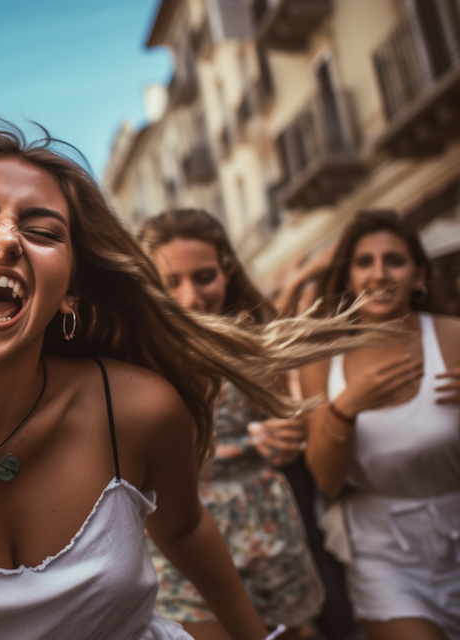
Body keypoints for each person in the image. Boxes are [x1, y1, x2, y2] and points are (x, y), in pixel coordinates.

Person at [0, 127, 382, 640]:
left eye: (44, 231)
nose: (6, 239)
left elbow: (185, 529)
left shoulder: (138, 409)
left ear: (71, 291)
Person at [138, 209, 325, 640]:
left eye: (203, 277)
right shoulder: (134, 354)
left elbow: (287, 427)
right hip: (176, 535)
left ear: (226, 270)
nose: (190, 296)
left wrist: (289, 439)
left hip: (265, 522)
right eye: (171, 281)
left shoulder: (257, 343)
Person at [301, 210, 460, 640]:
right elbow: (327, 481)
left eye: (394, 260)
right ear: (349, 278)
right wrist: (346, 407)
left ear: (419, 274)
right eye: (364, 262)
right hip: (383, 552)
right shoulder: (323, 359)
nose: (379, 274)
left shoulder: (453, 336)